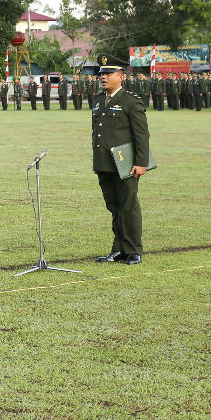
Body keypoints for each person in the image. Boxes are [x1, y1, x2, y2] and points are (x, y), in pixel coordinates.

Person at [90, 53, 151, 266]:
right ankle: (118, 249)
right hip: (105, 164)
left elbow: (141, 135)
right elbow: (96, 134)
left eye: (108, 73)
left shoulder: (131, 102)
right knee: (114, 207)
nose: (103, 77)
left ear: (121, 76)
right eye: (101, 73)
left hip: (125, 163)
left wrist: (141, 162)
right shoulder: (98, 102)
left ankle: (133, 250)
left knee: (129, 206)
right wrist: (97, 162)